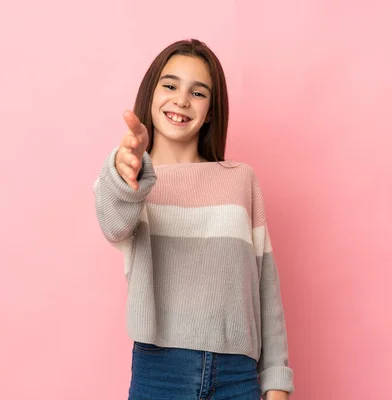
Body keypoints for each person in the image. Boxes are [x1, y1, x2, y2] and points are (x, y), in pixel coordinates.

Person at [94, 38, 294, 400]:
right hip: (160, 374)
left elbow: (265, 285)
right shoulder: (130, 179)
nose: (181, 100)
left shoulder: (240, 179)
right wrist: (125, 174)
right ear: (151, 94)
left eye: (198, 93)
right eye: (170, 85)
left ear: (212, 110)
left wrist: (277, 380)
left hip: (239, 378)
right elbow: (113, 223)